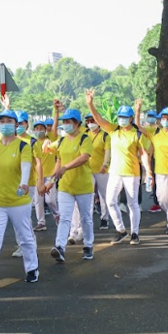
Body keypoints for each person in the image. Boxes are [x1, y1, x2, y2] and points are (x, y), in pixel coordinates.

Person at [0, 110, 40, 286]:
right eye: (2, 121)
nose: (5, 124)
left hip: (18, 200)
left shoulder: (23, 146)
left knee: (25, 237)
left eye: (9, 121)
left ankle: (32, 268)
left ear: (16, 124)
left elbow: (26, 165)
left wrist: (24, 182)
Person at [85, 94, 150, 246]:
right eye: (120, 116)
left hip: (132, 173)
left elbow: (144, 155)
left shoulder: (137, 134)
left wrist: (149, 173)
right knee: (110, 201)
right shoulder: (113, 130)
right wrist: (90, 104)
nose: (122, 119)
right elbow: (99, 119)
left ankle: (135, 233)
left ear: (131, 118)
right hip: (114, 172)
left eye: (125, 117)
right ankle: (121, 230)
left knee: (132, 204)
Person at [49, 102, 94, 262]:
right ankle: (60, 247)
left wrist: (66, 167)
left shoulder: (84, 139)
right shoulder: (61, 141)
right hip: (65, 187)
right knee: (65, 218)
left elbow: (84, 157)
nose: (65, 125)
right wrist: (51, 180)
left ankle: (88, 245)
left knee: (85, 218)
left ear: (77, 124)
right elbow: (59, 162)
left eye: (69, 122)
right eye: (64, 122)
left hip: (83, 186)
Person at [83, 111, 111, 230]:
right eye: (88, 121)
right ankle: (88, 219)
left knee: (104, 194)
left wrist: (105, 164)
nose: (90, 124)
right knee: (89, 194)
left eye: (92, 121)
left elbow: (108, 152)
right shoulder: (84, 135)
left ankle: (105, 218)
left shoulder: (105, 136)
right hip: (87, 169)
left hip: (101, 170)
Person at [31, 117, 59, 230]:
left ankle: (57, 214)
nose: (39, 130)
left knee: (50, 200)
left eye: (41, 128)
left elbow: (55, 125)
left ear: (45, 129)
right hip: (38, 177)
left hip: (50, 176)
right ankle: (41, 222)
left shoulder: (51, 138)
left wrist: (56, 111)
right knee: (38, 201)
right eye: (37, 128)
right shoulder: (33, 143)